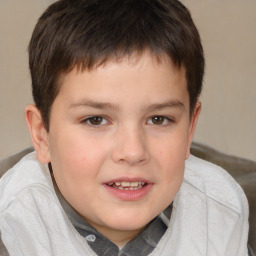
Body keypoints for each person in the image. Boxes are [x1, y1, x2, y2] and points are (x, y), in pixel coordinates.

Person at [0, 0, 249, 255]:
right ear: (42, 135)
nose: (132, 152)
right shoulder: (14, 225)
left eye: (158, 119)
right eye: (95, 120)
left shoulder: (220, 211)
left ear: (189, 130)